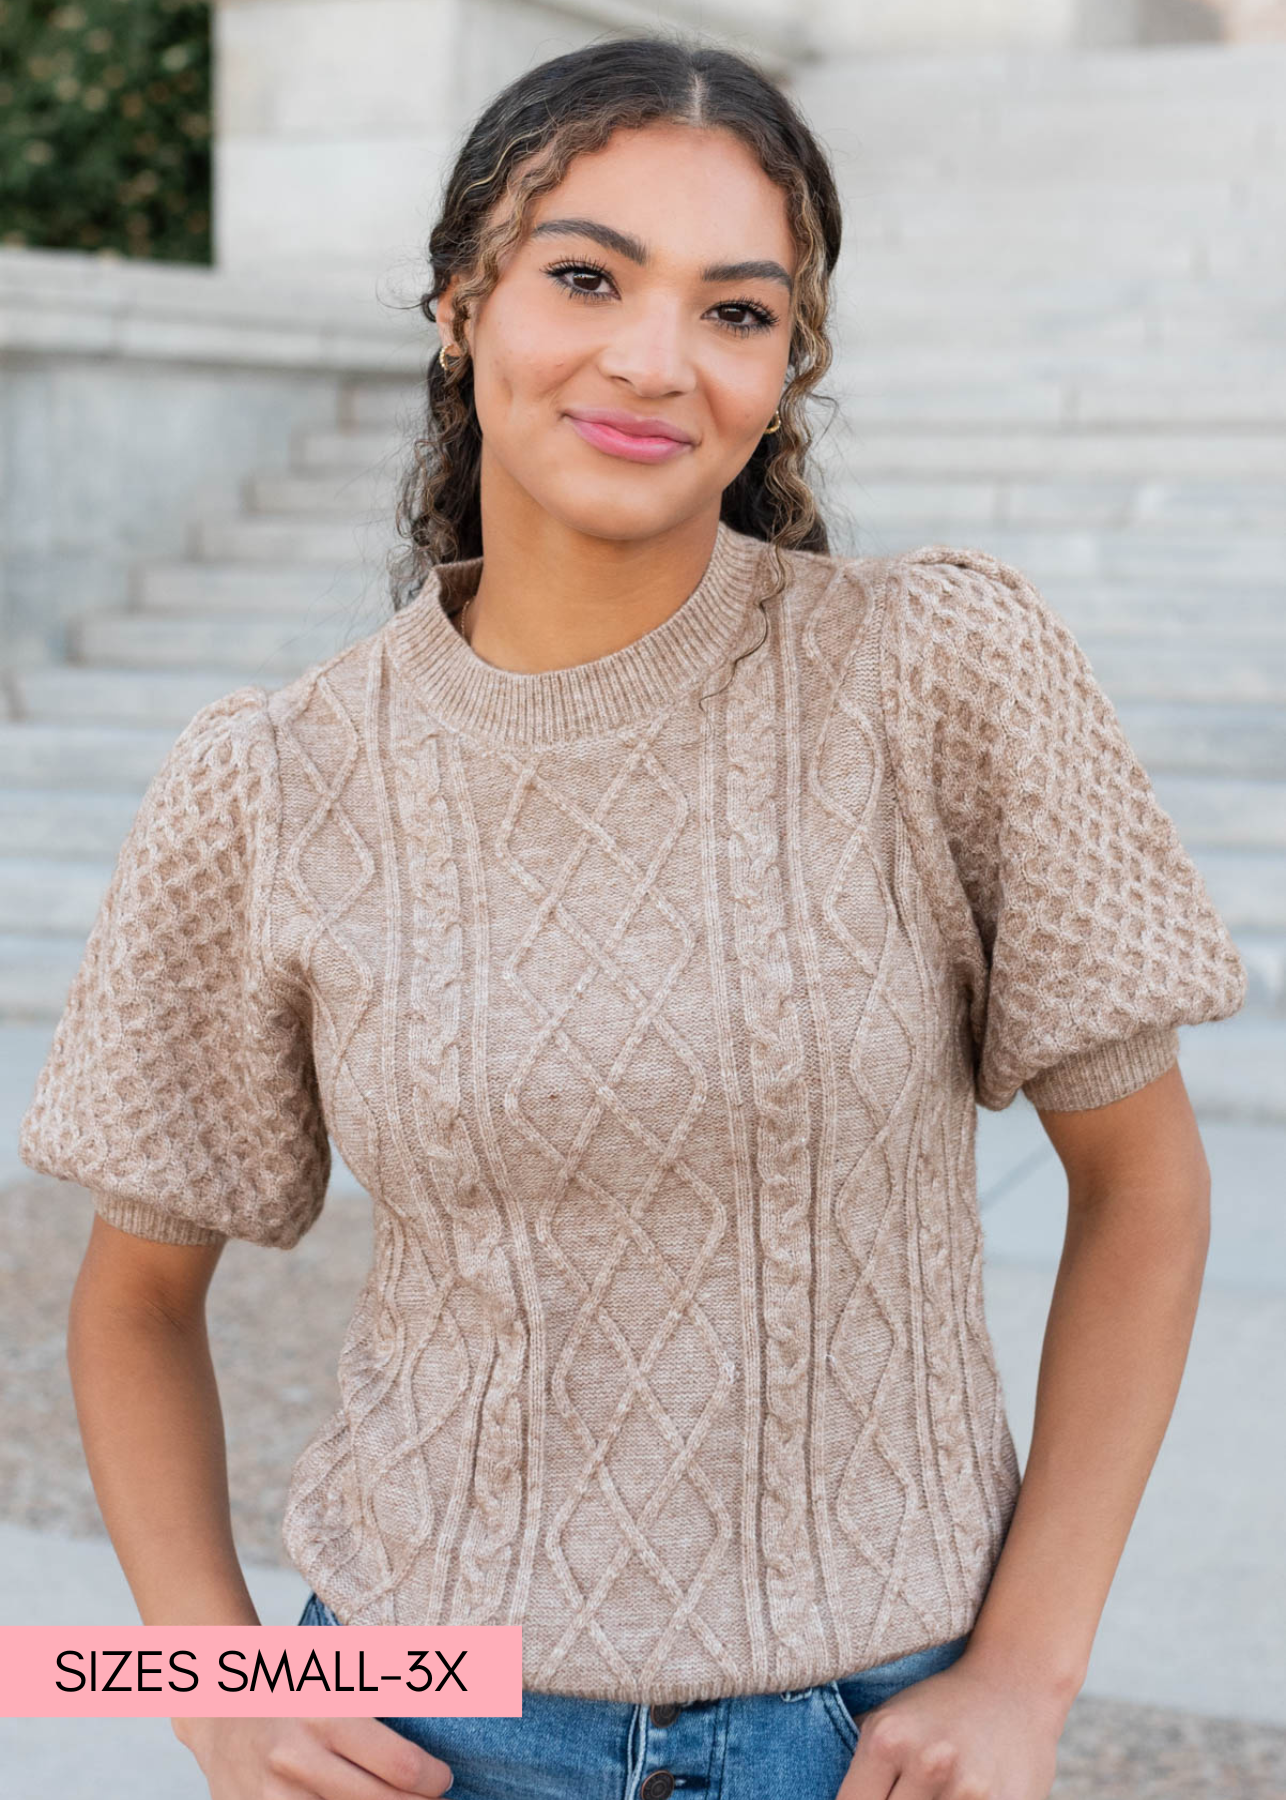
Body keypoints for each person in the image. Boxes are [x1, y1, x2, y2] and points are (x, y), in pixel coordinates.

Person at [19, 31, 1246, 1800]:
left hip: (870, 1727)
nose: (654, 359)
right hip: (425, 1708)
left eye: (736, 312)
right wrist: (212, 1687)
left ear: (785, 367)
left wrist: (1031, 1673)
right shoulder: (271, 781)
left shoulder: (936, 676)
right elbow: (130, 1301)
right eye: (586, 276)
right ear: (461, 304)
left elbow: (1145, 1190)